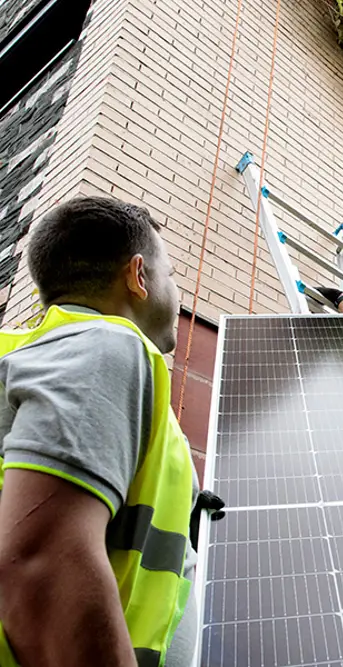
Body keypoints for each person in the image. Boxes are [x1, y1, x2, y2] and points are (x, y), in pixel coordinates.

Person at [0, 197, 204, 666]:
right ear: (138, 276)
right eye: (171, 276)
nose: (177, 294)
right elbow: (42, 567)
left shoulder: (64, 353)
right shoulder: (107, 347)